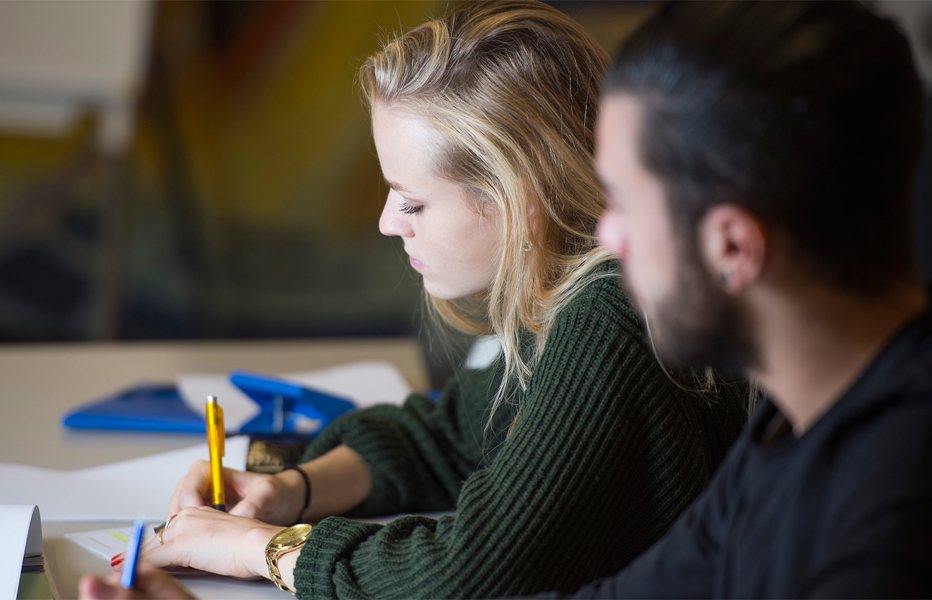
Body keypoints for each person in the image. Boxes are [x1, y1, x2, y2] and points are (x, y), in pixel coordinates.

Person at [80, 2, 747, 599]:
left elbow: (474, 572)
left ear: (518, 201)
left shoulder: (612, 317)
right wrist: (290, 488)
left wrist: (258, 551)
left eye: (414, 201)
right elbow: (448, 433)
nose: (386, 222)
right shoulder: (576, 298)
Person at [551, 1, 932, 597]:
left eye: (623, 203)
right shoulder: (798, 417)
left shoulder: (901, 528)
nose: (606, 236)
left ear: (734, 248)